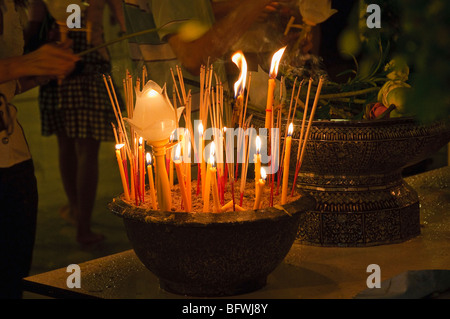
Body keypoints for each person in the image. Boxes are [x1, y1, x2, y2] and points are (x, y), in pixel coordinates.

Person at [26, 0, 126, 246]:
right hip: (84, 66)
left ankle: (76, 212)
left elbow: (34, 22)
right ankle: (83, 225)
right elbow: (120, 18)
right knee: (86, 151)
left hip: (57, 67)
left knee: (68, 145)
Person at [0, 0, 79, 299]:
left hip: (14, 165)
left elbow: (7, 85)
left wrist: (35, 74)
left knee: (11, 281)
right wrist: (26, 63)